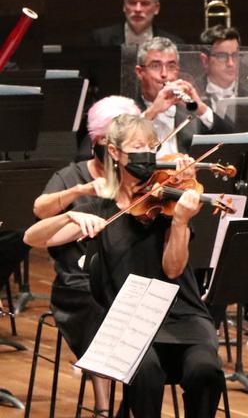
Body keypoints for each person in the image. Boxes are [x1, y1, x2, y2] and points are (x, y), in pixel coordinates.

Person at [23, 114, 225, 417]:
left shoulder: (168, 205)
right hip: (132, 324)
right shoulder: (101, 211)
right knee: (145, 374)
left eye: (151, 146)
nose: (147, 154)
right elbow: (32, 237)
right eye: (137, 146)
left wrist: (181, 222)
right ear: (115, 153)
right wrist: (69, 216)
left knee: (205, 371)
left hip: (183, 316)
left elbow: (173, 270)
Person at [30, 95, 142, 413]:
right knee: (101, 305)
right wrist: (81, 192)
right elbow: (40, 210)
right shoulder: (73, 175)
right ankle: (103, 407)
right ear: (98, 141)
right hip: (77, 282)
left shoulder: (137, 179)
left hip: (127, 274)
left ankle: (135, 401)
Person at [133, 37, 232, 156]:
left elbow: (231, 142)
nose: (164, 74)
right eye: (156, 66)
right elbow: (123, 144)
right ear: (140, 72)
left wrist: (200, 108)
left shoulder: (191, 115)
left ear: (177, 71)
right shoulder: (127, 109)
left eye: (171, 66)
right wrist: (152, 112)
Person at [91, 0, 183, 47]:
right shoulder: (101, 39)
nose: (138, 9)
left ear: (156, 8)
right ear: (124, 6)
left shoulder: (173, 44)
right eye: (132, 2)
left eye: (145, 3)